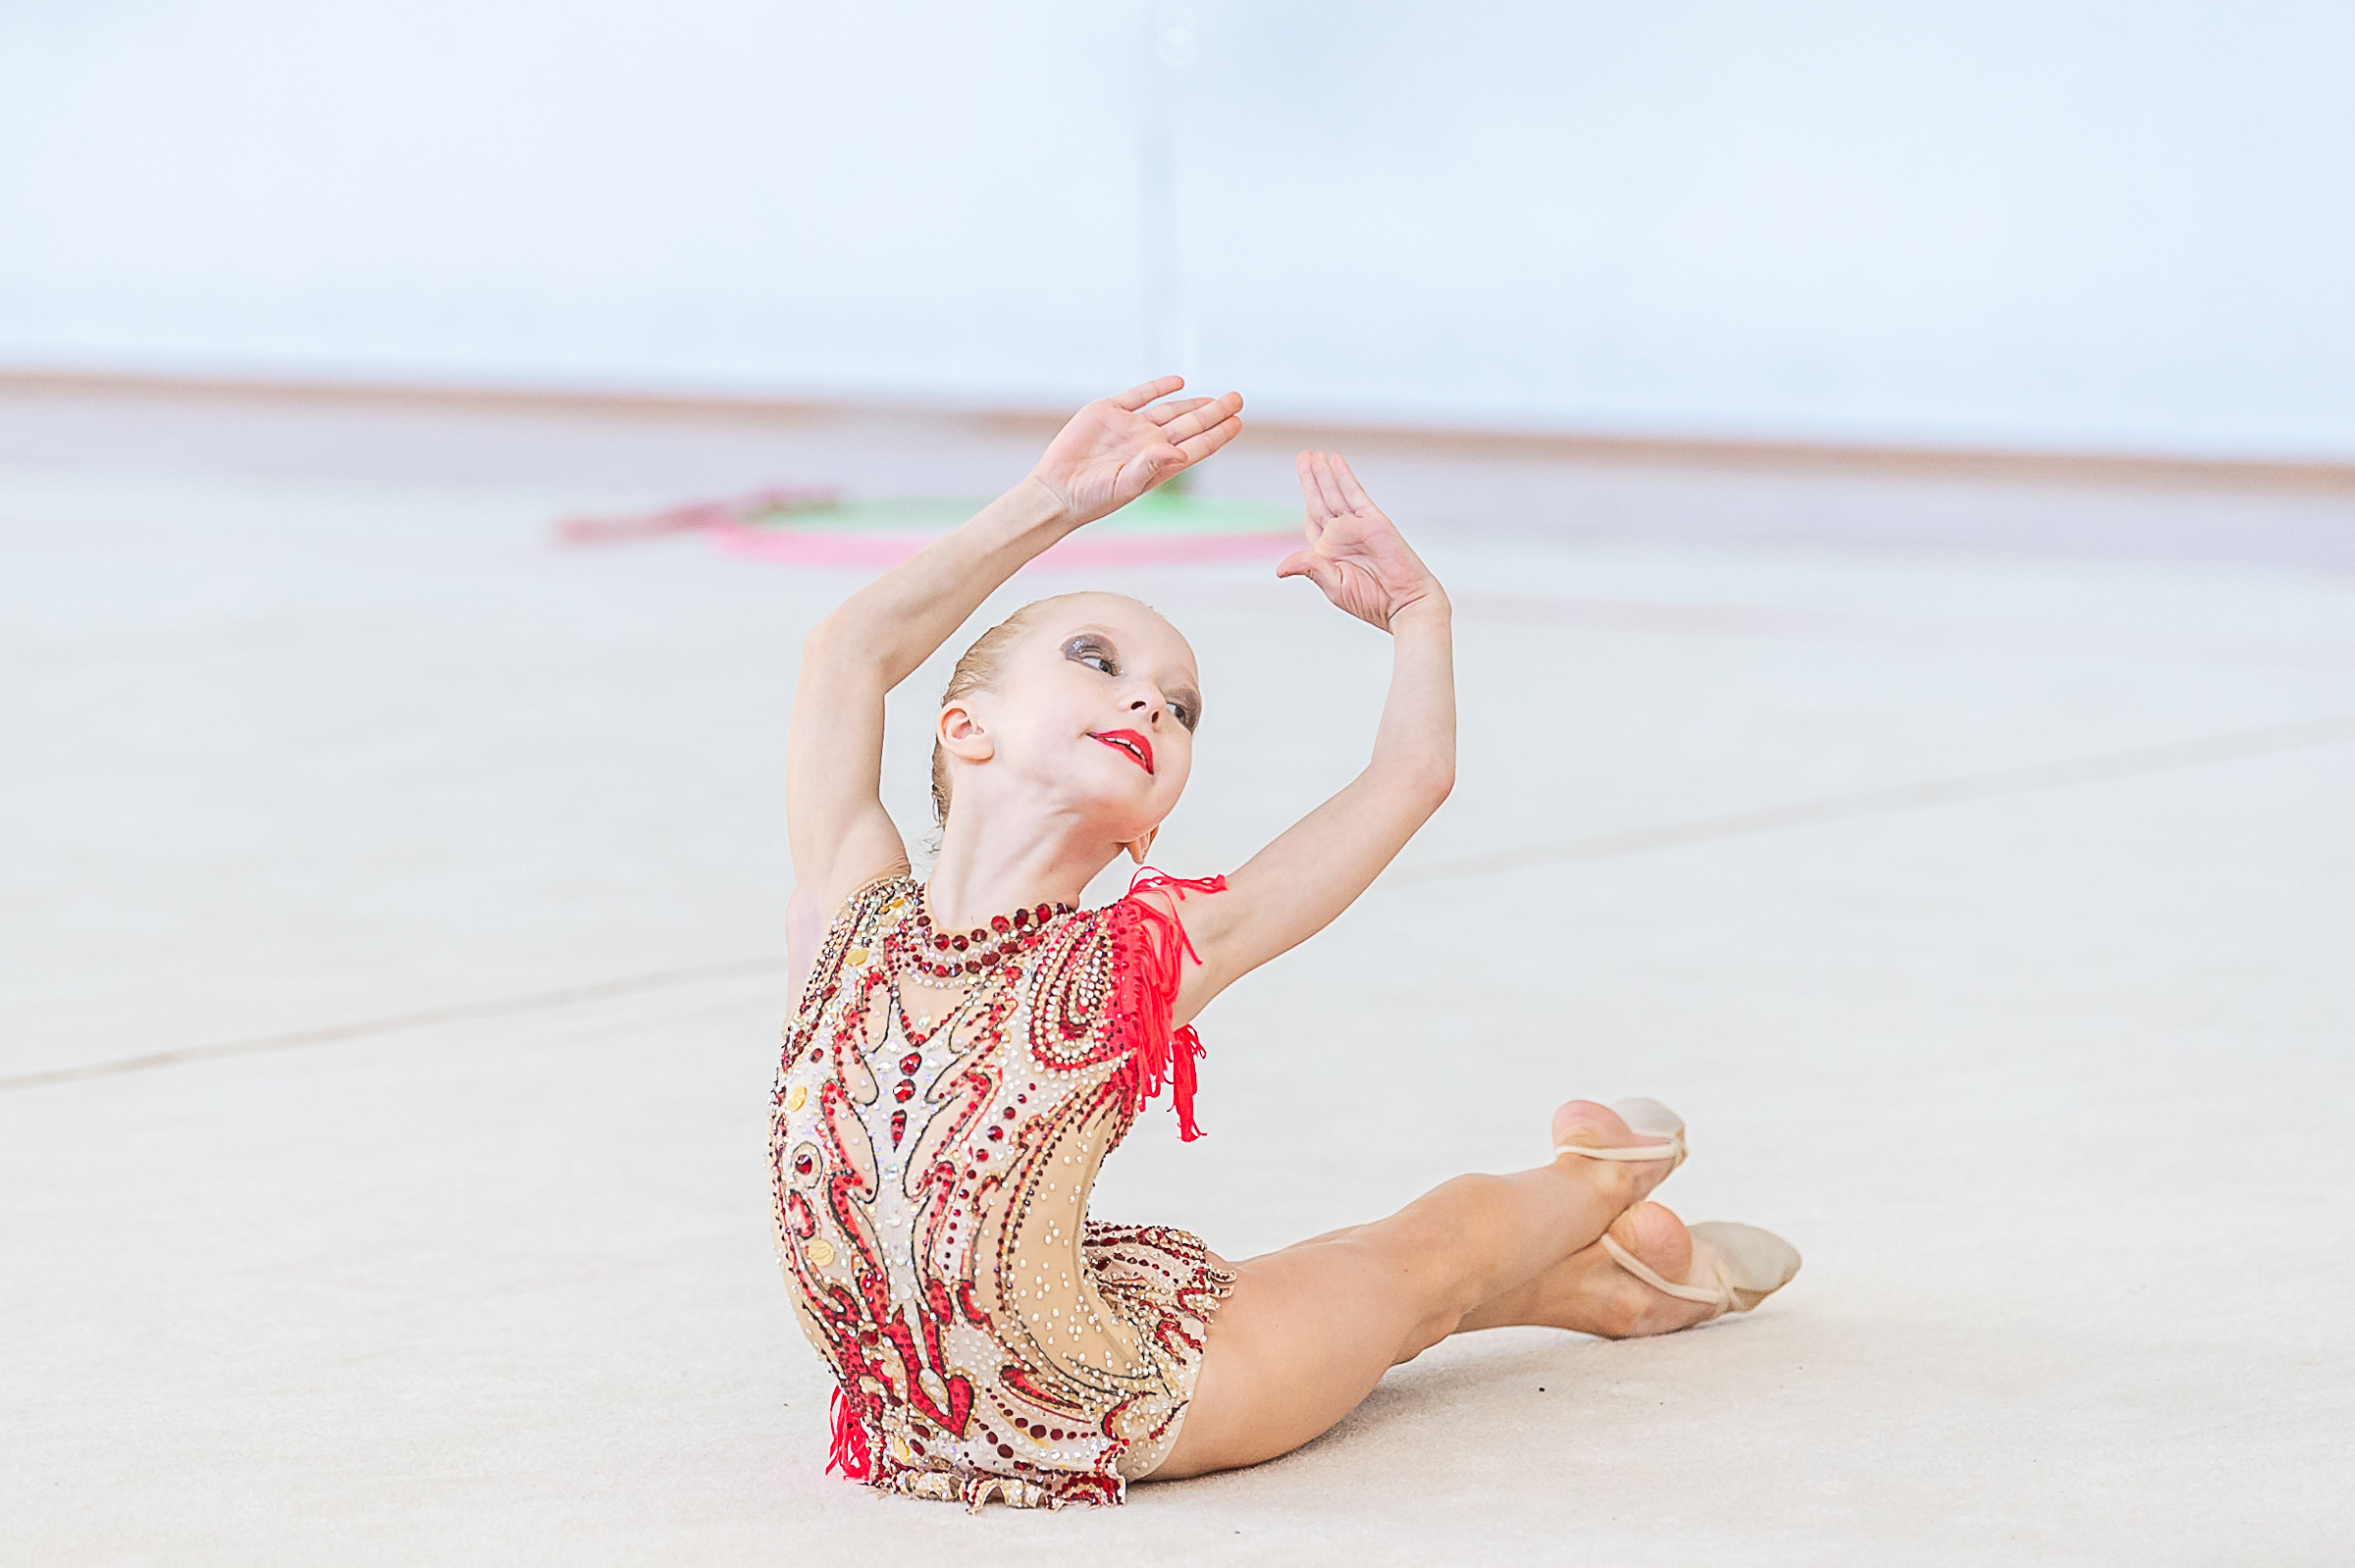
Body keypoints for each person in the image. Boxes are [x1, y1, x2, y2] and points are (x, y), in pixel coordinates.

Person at [770, 378, 1800, 1510]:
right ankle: (1618, 1285)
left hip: (1124, 1399)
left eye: (1181, 705)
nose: (1150, 702)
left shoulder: (1139, 959)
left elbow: (1410, 777)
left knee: (1414, 1264)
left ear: (1146, 827)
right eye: (1098, 660)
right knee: (1392, 1289)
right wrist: (1052, 498)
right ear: (965, 725)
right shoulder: (848, 912)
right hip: (908, 1409)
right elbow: (845, 649)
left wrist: (1419, 615)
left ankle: (1602, 1175)